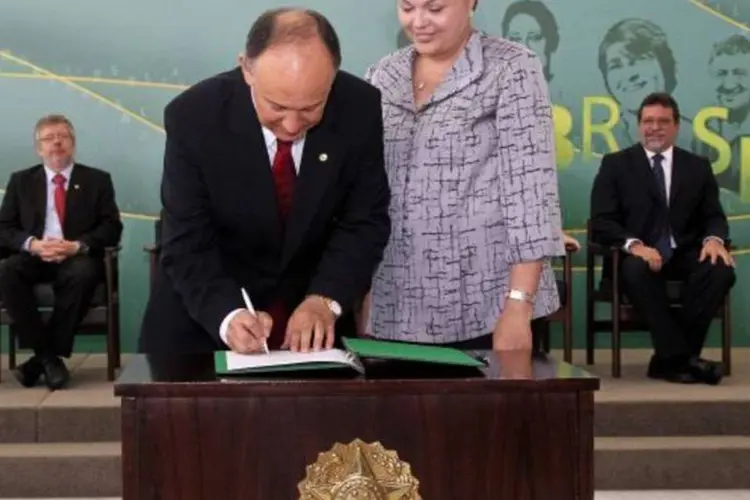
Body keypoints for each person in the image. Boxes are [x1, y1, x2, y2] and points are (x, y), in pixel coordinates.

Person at [138, 8, 391, 355]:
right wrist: (227, 316)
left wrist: (325, 300)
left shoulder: (359, 108)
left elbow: (364, 221)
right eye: (276, 106)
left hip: (313, 328)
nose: (291, 125)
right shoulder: (194, 116)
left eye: (310, 108)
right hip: (203, 323)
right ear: (247, 68)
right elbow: (187, 242)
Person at [362, 0, 565, 351]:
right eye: (408, 8)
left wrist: (518, 304)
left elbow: (531, 195)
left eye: (435, 8)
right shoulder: (383, 75)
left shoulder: (511, 67)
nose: (419, 21)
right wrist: (363, 295)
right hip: (395, 303)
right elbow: (365, 196)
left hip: (488, 303)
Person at [590, 92, 736, 385]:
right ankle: (685, 360)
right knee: (635, 268)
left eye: (662, 122)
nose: (654, 128)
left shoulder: (697, 166)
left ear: (676, 126)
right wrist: (635, 245)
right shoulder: (616, 164)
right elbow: (601, 220)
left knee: (720, 270)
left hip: (682, 254)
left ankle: (669, 359)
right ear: (639, 124)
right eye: (648, 121)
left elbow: (714, 216)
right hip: (634, 257)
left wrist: (714, 239)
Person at [0, 114, 123, 390]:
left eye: (62, 137)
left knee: (82, 273)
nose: (56, 143)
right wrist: (32, 243)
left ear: (72, 143)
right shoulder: (21, 181)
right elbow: (4, 228)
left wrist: (77, 245)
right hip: (34, 255)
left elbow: (112, 227)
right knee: (7, 270)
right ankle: (48, 358)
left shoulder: (97, 180)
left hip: (74, 257)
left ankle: (40, 361)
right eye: (49, 138)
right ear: (38, 148)